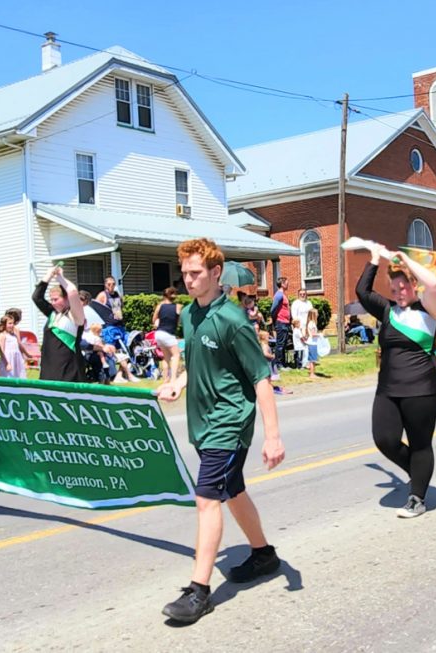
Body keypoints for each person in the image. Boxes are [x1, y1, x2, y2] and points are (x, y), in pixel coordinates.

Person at [158, 238, 285, 625]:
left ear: (216, 273)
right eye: (184, 273)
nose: (188, 279)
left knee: (207, 498)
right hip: (203, 421)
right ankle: (264, 554)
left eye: (196, 273)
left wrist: (273, 436)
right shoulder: (188, 316)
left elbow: (261, 378)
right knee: (232, 490)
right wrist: (178, 381)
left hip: (229, 422)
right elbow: (196, 361)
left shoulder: (233, 319)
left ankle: (199, 592)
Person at [356, 242, 436, 518]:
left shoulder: (429, 308)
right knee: (385, 439)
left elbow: (434, 285)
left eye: (402, 288)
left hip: (422, 389)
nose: (398, 294)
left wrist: (405, 259)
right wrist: (373, 259)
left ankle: (417, 497)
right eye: (393, 290)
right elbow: (362, 291)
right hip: (388, 389)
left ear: (413, 285)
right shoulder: (388, 311)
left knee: (420, 444)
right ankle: (418, 473)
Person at [33, 266, 86, 383]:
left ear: (66, 299)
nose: (53, 303)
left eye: (56, 299)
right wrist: (48, 274)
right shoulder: (53, 314)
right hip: (49, 368)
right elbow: (36, 297)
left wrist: (59, 277)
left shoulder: (76, 316)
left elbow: (72, 291)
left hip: (69, 370)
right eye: (51, 300)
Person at [152, 287, 182, 385]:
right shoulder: (178, 306)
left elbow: (154, 319)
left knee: (166, 357)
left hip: (159, 333)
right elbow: (178, 322)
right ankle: (173, 379)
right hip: (169, 334)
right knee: (176, 355)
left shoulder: (160, 306)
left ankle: (165, 379)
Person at [95, 276, 127, 352]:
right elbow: (96, 308)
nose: (111, 286)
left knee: (123, 347)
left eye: (113, 284)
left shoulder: (117, 295)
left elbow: (120, 307)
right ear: (105, 285)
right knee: (111, 348)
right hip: (108, 327)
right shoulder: (103, 295)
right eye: (109, 284)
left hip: (119, 325)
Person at [0, 314, 29, 379]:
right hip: (8, 360)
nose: (12, 325)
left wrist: (24, 361)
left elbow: (19, 349)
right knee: (8, 378)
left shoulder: (14, 335)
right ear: (4, 325)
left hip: (17, 360)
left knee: (19, 378)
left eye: (13, 323)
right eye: (9, 323)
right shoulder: (2, 335)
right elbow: (1, 351)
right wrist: (7, 364)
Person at [270, 277, 292, 368]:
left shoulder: (283, 294)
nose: (288, 284)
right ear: (282, 284)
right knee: (280, 344)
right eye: (286, 282)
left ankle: (282, 363)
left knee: (284, 344)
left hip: (285, 322)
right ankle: (278, 364)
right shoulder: (279, 295)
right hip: (281, 322)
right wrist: (276, 320)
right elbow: (273, 309)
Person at [304, 308, 320, 379]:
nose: (318, 314)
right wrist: (320, 335)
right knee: (313, 360)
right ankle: (312, 374)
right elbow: (313, 334)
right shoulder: (312, 323)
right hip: (312, 343)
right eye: (317, 313)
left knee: (312, 359)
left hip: (312, 343)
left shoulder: (310, 323)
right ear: (313, 315)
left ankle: (312, 373)